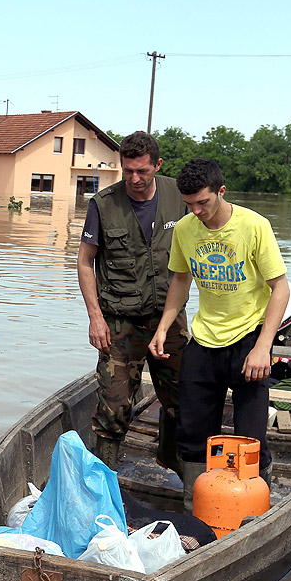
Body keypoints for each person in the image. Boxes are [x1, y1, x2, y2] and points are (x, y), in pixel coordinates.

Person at [148, 158, 289, 511]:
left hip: (248, 342)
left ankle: (256, 510)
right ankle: (197, 509)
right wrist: (164, 326)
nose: (196, 211)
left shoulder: (254, 226)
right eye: (188, 204)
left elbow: (281, 289)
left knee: (251, 438)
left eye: (203, 203)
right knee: (193, 433)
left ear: (221, 191)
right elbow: (181, 279)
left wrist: (263, 347)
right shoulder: (184, 229)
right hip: (204, 341)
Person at [77, 131, 189, 475]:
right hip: (119, 322)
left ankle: (172, 460)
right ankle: (104, 481)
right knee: (113, 407)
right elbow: (85, 262)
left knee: (182, 399)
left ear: (157, 165)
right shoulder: (104, 204)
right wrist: (95, 318)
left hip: (168, 320)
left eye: (142, 171)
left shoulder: (178, 196)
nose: (135, 179)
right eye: (128, 171)